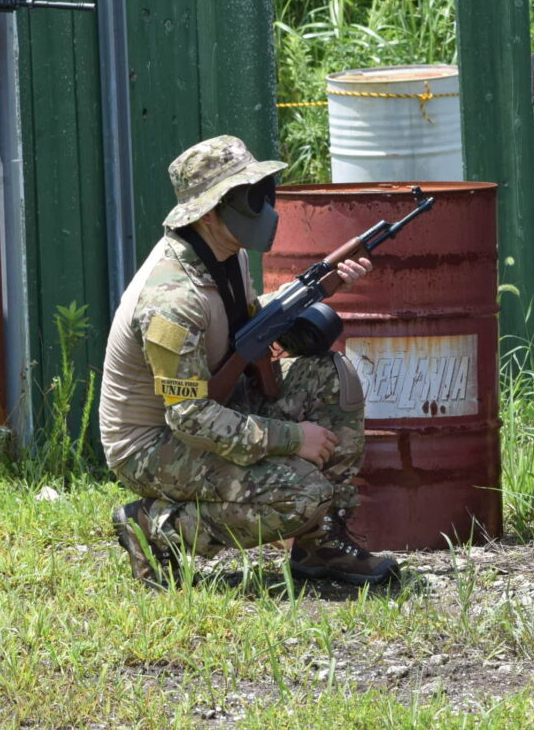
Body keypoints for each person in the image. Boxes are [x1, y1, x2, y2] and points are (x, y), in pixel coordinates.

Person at [99, 134, 400, 588]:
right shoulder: (171, 300)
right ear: (209, 210)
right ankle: (154, 527)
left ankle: (319, 543)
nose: (263, 205)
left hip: (212, 406)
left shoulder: (225, 255)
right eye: (248, 195)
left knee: (332, 375)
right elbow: (189, 417)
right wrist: (292, 439)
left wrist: (322, 286)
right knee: (301, 493)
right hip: (152, 444)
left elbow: (244, 320)